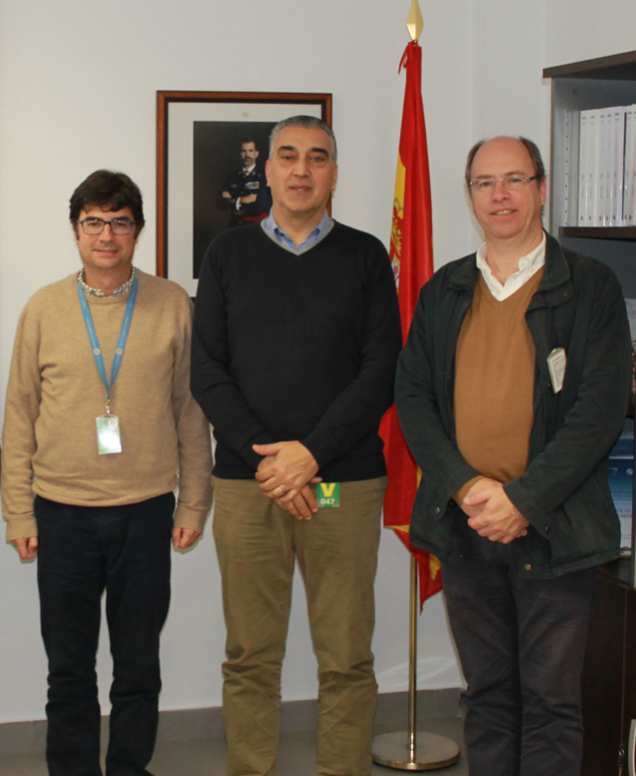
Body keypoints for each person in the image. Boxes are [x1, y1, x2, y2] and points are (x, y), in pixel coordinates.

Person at [395, 136, 631, 776]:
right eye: (484, 183)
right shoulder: (445, 289)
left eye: (515, 180)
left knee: (552, 702)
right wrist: (467, 488)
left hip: (555, 529)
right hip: (466, 524)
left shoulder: (590, 286)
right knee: (488, 696)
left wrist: (523, 501)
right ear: (470, 195)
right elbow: (413, 398)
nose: (500, 195)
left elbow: (600, 411)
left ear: (541, 189)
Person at [191, 115, 401, 776]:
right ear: (268, 171)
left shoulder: (367, 256)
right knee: (250, 655)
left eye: (317, 157)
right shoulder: (227, 254)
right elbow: (207, 371)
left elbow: (381, 371)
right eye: (288, 156)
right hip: (248, 484)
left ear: (334, 174)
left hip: (342, 483)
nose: (302, 170)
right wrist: (272, 459)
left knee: (346, 658)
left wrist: (309, 457)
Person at [1, 169, 213, 776]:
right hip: (60, 512)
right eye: (93, 221)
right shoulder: (43, 308)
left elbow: (191, 411)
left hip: (146, 510)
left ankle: (128, 768)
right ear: (75, 231)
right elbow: (19, 416)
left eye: (120, 222)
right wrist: (19, 512)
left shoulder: (173, 304)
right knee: (69, 668)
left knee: (137, 665)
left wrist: (193, 503)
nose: (106, 234)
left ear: (137, 231)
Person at [220, 139, 272, 225]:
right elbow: (220, 203)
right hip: (234, 226)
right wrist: (241, 200)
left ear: (256, 154)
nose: (247, 155)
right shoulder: (232, 176)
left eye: (250, 151)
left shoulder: (264, 176)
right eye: (244, 151)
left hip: (255, 226)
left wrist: (233, 202)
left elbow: (260, 206)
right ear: (239, 154)